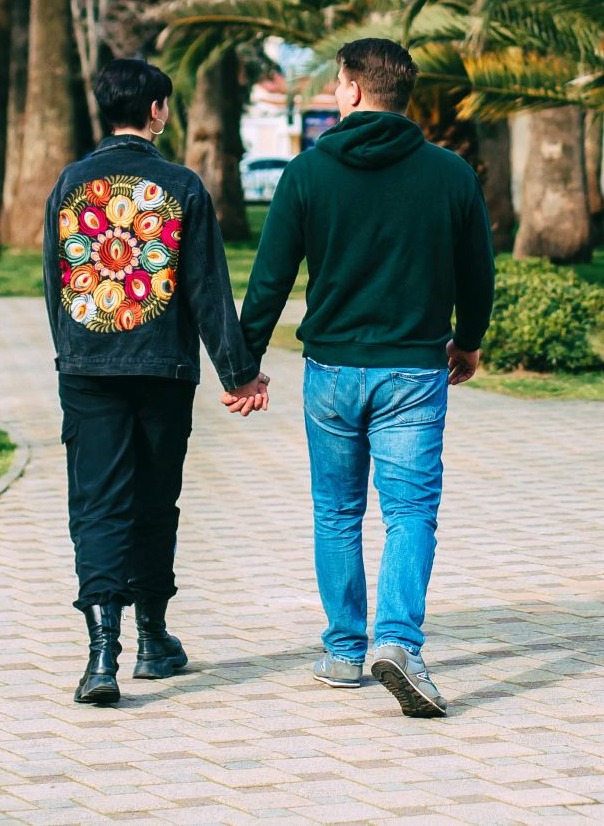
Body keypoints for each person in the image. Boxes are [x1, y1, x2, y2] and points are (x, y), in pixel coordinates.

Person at [238, 38, 495, 718]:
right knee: (409, 511)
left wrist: (243, 365)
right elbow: (478, 273)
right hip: (414, 368)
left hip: (330, 371)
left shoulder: (307, 174)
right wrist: (466, 342)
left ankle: (346, 649)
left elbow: (269, 280)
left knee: (337, 510)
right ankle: (399, 642)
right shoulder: (450, 173)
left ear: (350, 88)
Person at [44, 57, 267, 707]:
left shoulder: (71, 183)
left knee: (96, 504)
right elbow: (207, 289)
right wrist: (240, 372)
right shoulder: (182, 185)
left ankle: (100, 650)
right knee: (153, 500)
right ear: (158, 109)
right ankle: (154, 633)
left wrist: (72, 355)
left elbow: (56, 283)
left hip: (88, 368)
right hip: (163, 370)